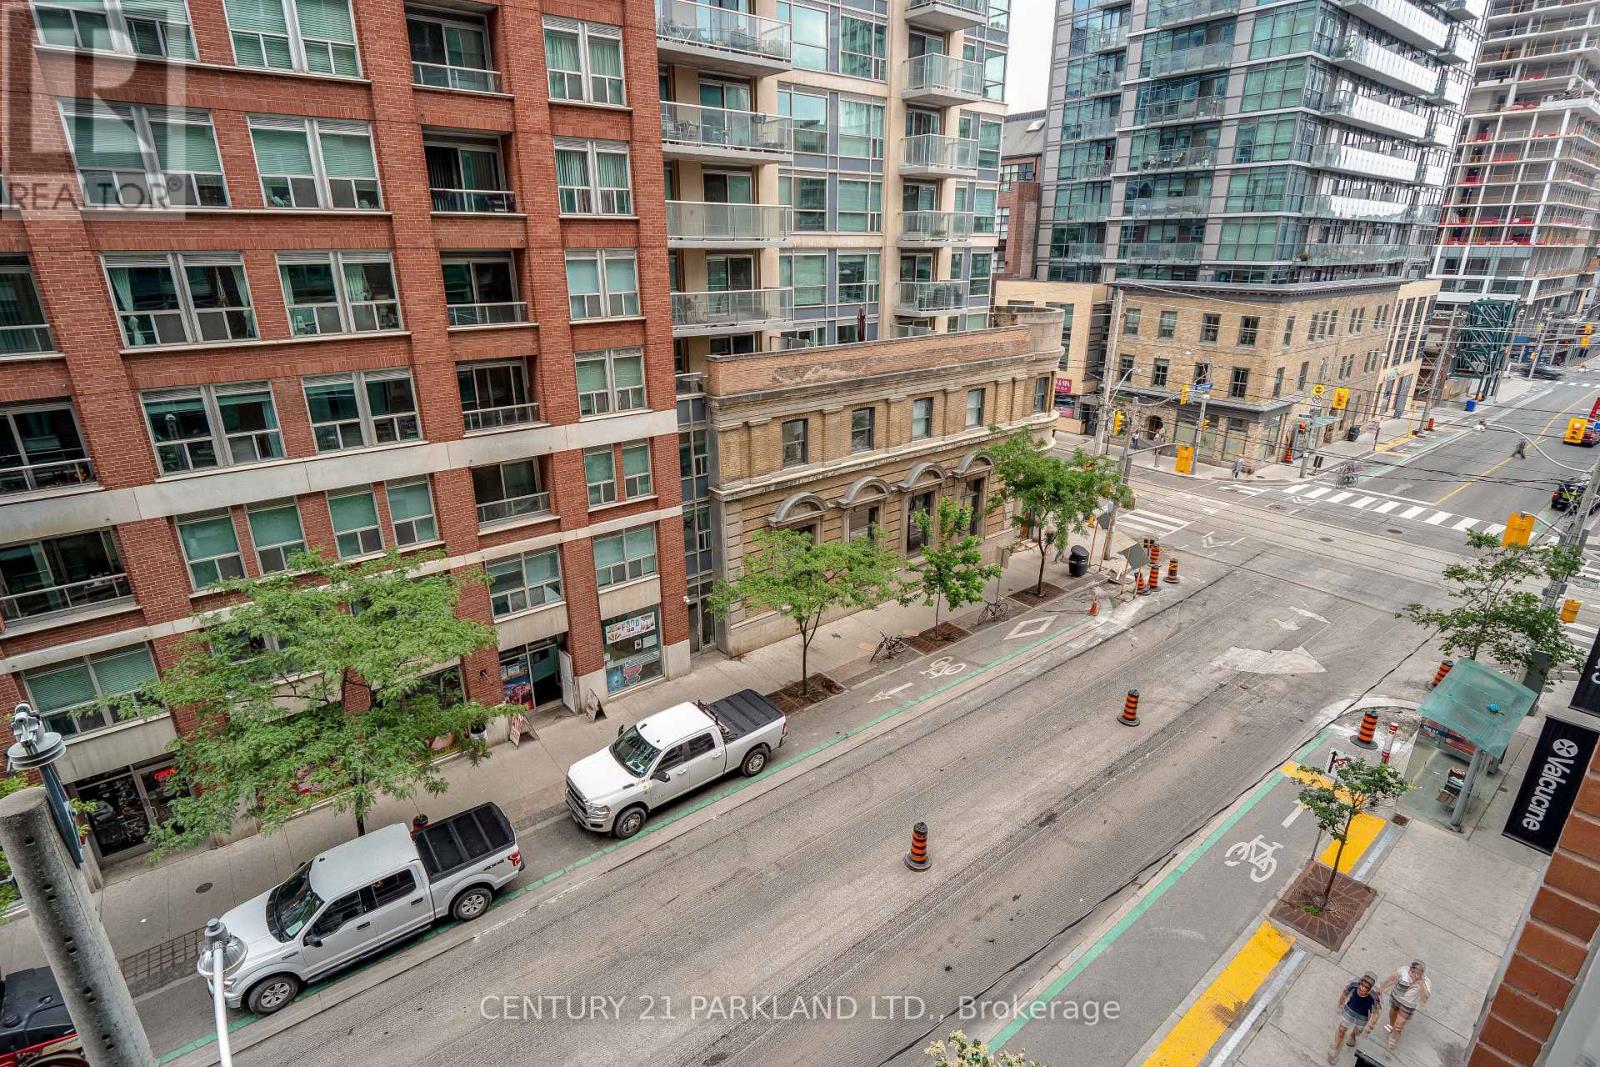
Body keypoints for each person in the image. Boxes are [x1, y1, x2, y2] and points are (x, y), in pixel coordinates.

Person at [1377, 961, 1431, 1049]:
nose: (1414, 975)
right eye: (1413, 972)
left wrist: (1421, 984)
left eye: (1418, 973)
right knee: (1392, 1014)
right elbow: (1392, 980)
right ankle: (1391, 1025)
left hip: (1408, 1005)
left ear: (1422, 974)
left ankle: (1394, 1035)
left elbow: (1425, 997)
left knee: (1400, 1023)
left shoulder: (1425, 981)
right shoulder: (1404, 971)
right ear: (1410, 969)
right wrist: (1381, 988)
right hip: (1396, 998)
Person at [1330, 973, 1380, 1063]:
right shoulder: (1353, 984)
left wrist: (1369, 1026)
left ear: (1369, 990)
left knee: (1357, 1032)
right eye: (1360, 987)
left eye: (1365, 989)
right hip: (1349, 1011)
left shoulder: (1374, 996)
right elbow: (1345, 993)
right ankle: (1335, 1048)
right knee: (1341, 1030)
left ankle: (1353, 1036)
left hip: (1362, 1017)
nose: (1361, 990)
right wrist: (1340, 1003)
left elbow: (1376, 1013)